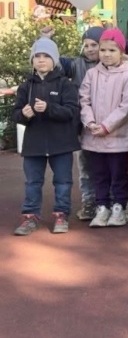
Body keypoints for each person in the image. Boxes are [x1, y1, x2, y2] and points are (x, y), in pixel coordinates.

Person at [12, 39, 80, 236]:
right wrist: (23, 114)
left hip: (62, 143)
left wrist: (49, 108)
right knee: (32, 182)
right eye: (37, 56)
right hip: (34, 144)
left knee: (63, 181)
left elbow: (71, 112)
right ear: (32, 61)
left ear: (54, 60)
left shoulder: (65, 84)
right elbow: (16, 114)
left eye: (46, 56)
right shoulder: (26, 86)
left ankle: (62, 215)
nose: (41, 60)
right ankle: (30, 217)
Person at [79, 28, 128, 229]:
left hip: (118, 137)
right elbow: (84, 100)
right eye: (103, 50)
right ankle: (102, 206)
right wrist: (90, 123)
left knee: (118, 174)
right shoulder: (91, 74)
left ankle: (119, 207)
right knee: (99, 174)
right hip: (94, 136)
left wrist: (106, 126)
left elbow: (127, 106)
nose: (106, 54)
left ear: (121, 51)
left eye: (112, 50)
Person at [71, 26, 104, 222]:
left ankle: (107, 200)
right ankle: (89, 201)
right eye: (87, 45)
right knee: (85, 165)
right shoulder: (76, 65)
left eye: (94, 45)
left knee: (107, 165)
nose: (90, 49)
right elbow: (54, 63)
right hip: (84, 123)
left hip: (106, 124)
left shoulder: (112, 64)